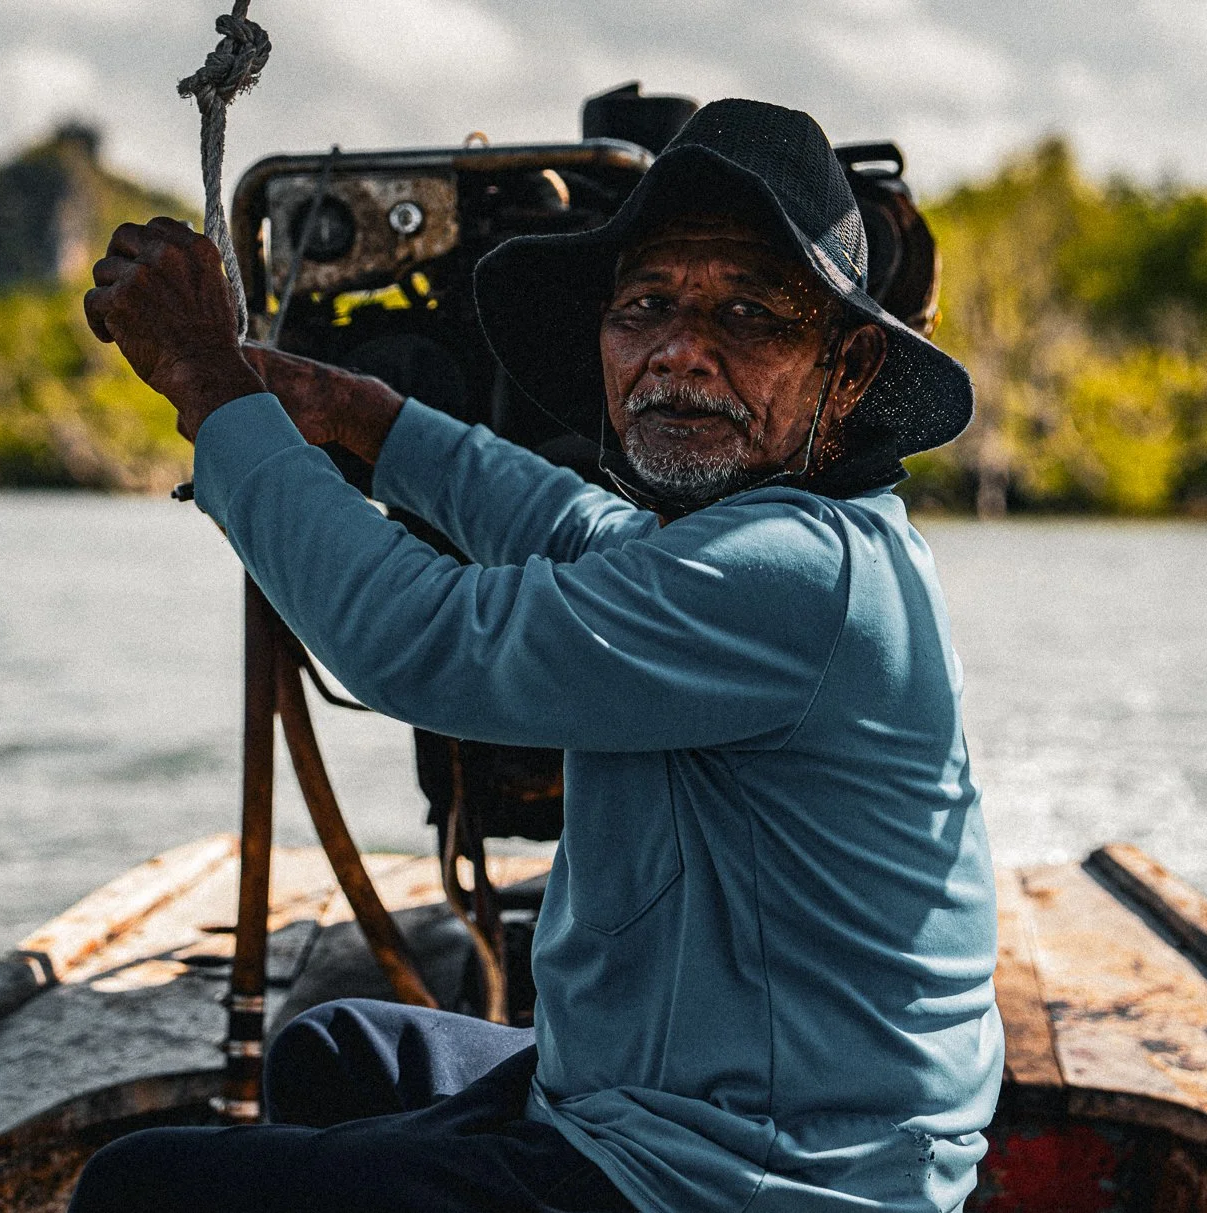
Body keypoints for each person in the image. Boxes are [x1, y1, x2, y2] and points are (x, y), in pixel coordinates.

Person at [71, 98, 1002, 1213]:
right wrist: (363, 414)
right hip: (657, 1107)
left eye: (748, 314)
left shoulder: (797, 573)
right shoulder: (769, 541)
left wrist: (208, 382)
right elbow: (577, 527)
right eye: (645, 306)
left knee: (138, 1191)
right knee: (334, 1053)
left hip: (757, 1179)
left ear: (846, 367)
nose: (678, 352)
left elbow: (415, 638)